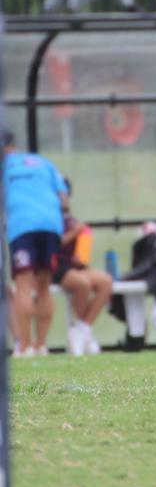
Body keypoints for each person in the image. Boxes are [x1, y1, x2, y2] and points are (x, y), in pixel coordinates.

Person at [2, 131, 68, 356]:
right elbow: (64, 200)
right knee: (43, 286)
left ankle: (25, 346)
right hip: (51, 225)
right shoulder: (43, 162)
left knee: (23, 285)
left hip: (23, 225)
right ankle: (41, 344)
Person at [54, 208, 113, 356]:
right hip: (55, 267)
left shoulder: (70, 219)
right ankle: (82, 334)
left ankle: (82, 330)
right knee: (82, 283)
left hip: (74, 266)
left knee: (105, 281)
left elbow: (80, 248)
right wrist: (74, 233)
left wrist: (81, 256)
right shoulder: (47, 218)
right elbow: (51, 245)